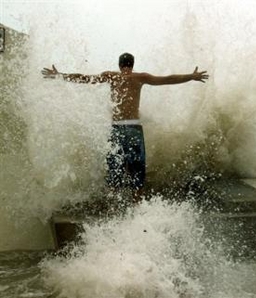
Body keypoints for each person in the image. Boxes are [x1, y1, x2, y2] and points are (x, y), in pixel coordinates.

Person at [41, 52, 209, 203]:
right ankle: (136, 207)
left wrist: (60, 75)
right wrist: (191, 76)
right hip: (133, 129)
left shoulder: (111, 76)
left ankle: (113, 209)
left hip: (116, 129)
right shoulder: (140, 77)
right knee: (137, 171)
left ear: (120, 65)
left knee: (114, 170)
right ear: (132, 65)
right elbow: (167, 79)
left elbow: (85, 78)